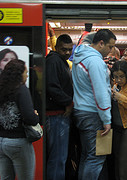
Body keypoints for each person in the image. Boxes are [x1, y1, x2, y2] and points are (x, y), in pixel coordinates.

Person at [72, 29, 116, 180]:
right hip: (93, 113)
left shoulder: (80, 57)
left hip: (80, 110)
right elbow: (101, 92)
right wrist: (106, 120)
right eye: (110, 47)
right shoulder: (95, 61)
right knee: (96, 157)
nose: (111, 51)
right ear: (101, 43)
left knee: (87, 155)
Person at [0, 59, 39, 180]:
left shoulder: (1, 89)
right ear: (19, 74)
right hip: (19, 141)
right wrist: (36, 115)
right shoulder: (21, 89)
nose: (27, 76)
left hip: (1, 142)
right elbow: (30, 118)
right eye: (26, 72)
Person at [45, 34, 73, 180]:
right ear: (56, 48)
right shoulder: (54, 61)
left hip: (58, 114)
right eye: (64, 49)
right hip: (56, 115)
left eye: (70, 49)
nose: (67, 52)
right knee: (57, 158)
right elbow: (52, 87)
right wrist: (68, 102)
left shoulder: (60, 61)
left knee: (59, 157)